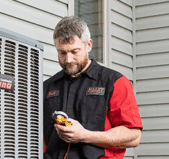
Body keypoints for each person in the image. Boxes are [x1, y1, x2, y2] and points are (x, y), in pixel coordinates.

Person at [43, 16, 143, 159]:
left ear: (88, 45)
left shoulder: (114, 82)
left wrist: (85, 136)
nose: (68, 60)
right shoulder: (47, 87)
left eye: (74, 51)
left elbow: (133, 136)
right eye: (62, 53)